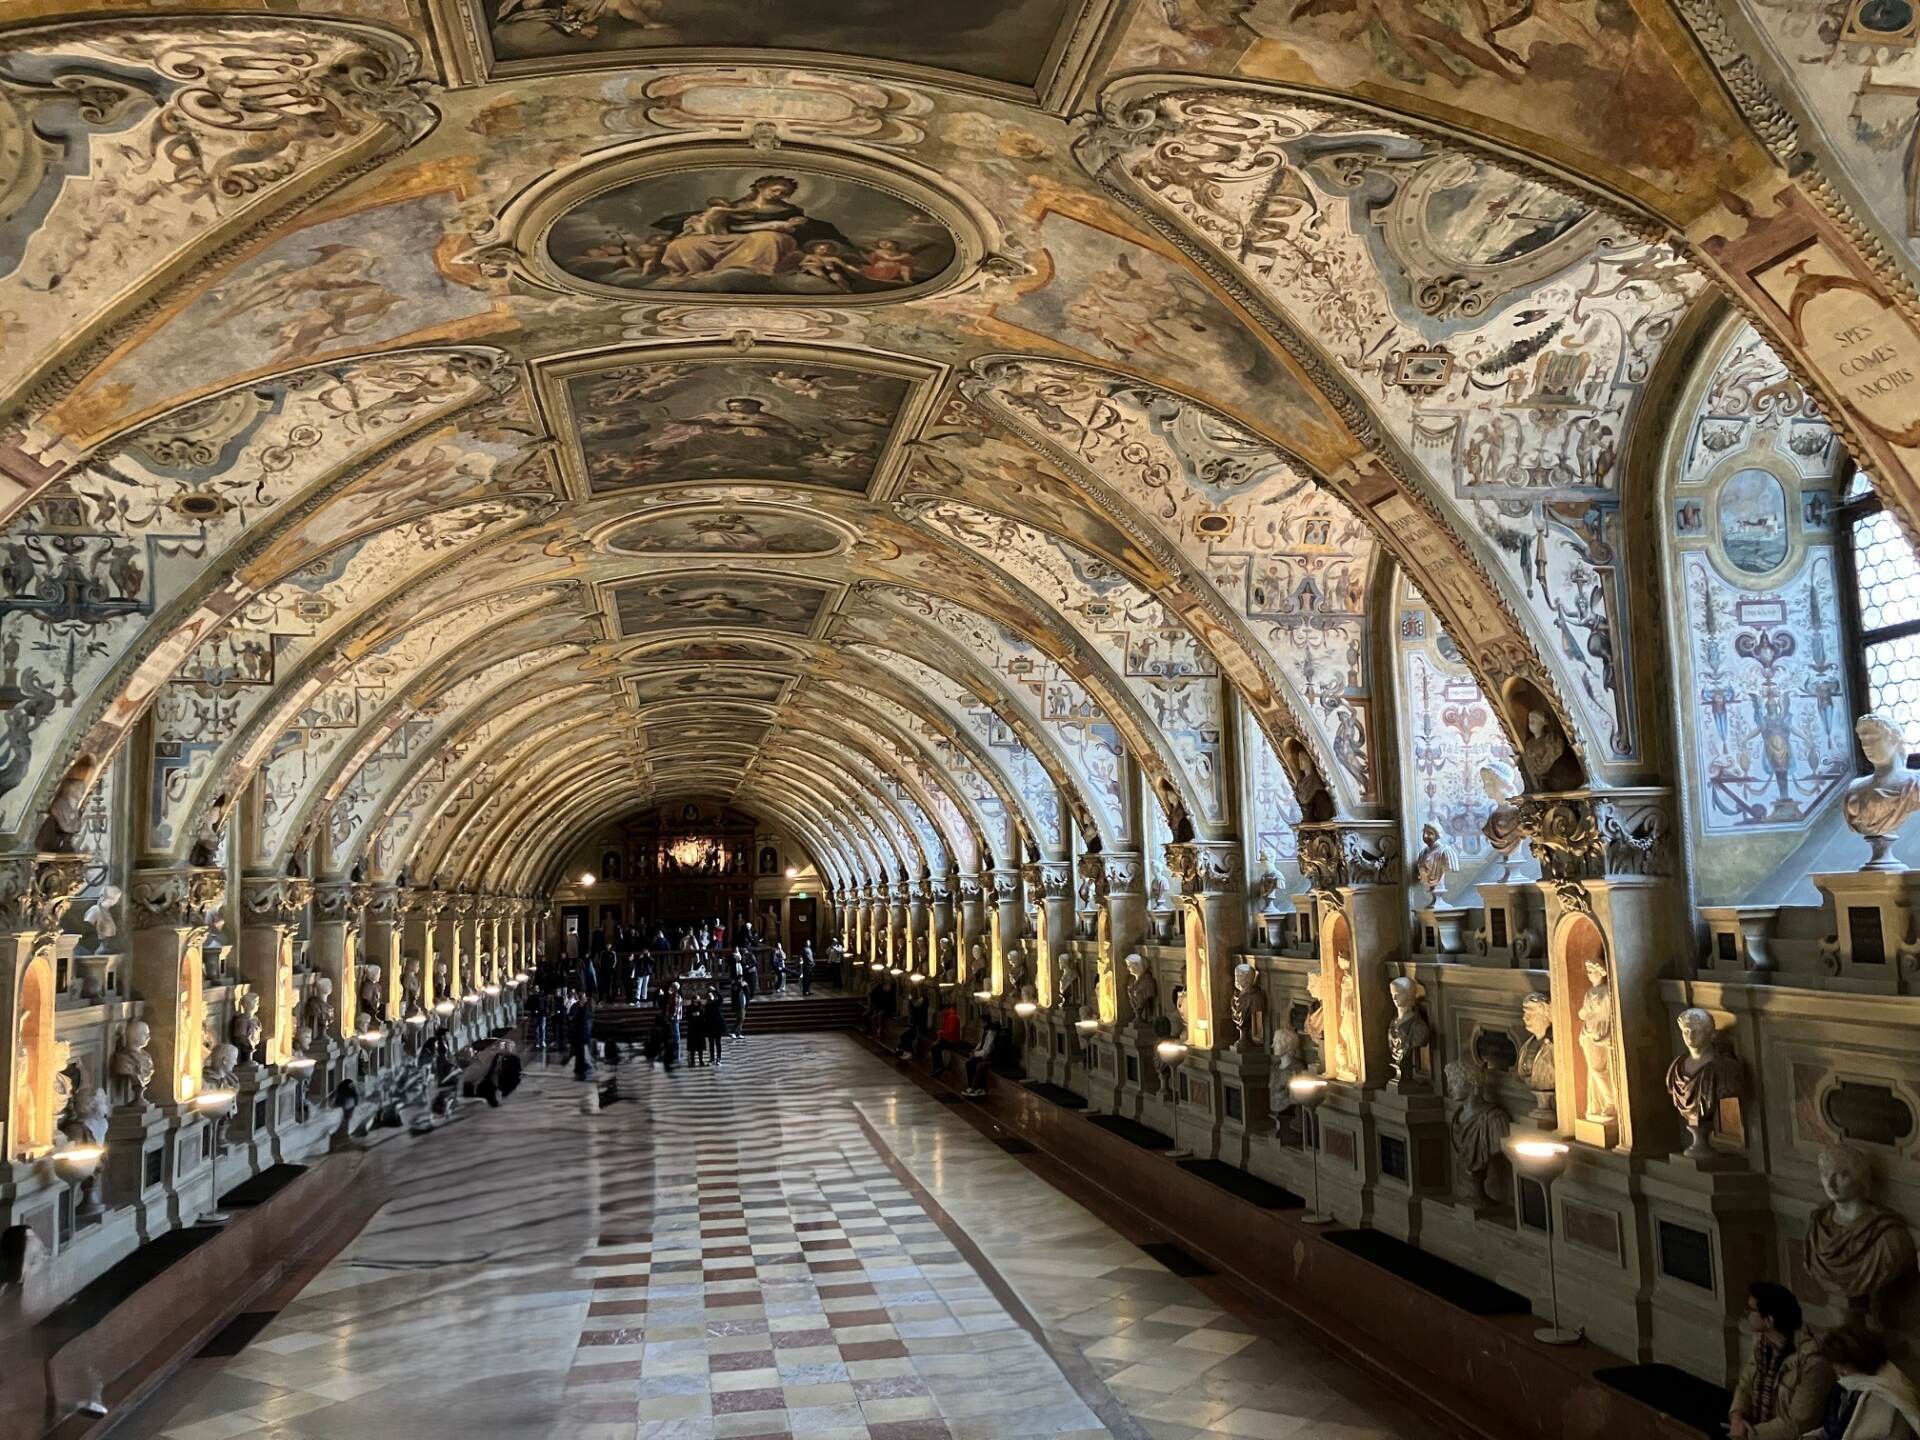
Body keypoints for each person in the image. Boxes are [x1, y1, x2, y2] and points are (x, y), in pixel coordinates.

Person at [1727, 1282, 1832, 1440]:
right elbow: (1744, 1386)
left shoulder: (1813, 1362)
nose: (1746, 1313)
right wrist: (1737, 1418)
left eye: (1751, 1309)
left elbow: (1797, 1425)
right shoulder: (1761, 1344)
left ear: (1769, 1320)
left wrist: (1748, 1435)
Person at [1810, 1325, 1920, 1439]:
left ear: (1857, 1359)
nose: (1837, 1370)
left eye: (1841, 1364)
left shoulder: (1883, 1398)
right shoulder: (1850, 1386)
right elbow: (1837, 1428)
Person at [963, 1019, 1007, 1097]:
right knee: (970, 1063)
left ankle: (976, 1087)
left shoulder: (1003, 1040)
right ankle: (972, 1086)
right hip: (992, 1058)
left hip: (998, 1061)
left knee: (981, 1065)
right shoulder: (996, 1038)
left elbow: (998, 1054)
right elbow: (985, 1047)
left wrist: (987, 1057)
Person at [929, 999, 963, 1077]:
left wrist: (940, 1032)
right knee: (935, 1048)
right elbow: (944, 1030)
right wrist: (938, 1039)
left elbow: (950, 1031)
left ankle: (939, 1067)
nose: (942, 1013)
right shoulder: (947, 1016)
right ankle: (937, 1067)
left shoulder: (952, 1017)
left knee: (936, 1049)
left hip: (952, 1041)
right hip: (947, 1039)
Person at [897, 984, 930, 1062]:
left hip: (920, 1025)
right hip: (915, 1024)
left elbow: (917, 1006)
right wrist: (910, 1000)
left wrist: (911, 1000)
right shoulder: (916, 999)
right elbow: (912, 1007)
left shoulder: (924, 999)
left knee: (909, 1037)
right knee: (903, 1036)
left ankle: (909, 1053)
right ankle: (904, 1051)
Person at [567, 991, 595, 1082]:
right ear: (581, 998)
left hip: (585, 1032)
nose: (585, 998)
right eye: (584, 997)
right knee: (579, 1051)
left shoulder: (587, 1006)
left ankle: (584, 1066)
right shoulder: (575, 1006)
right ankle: (579, 1067)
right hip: (578, 1032)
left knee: (584, 1051)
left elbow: (590, 1017)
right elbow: (571, 1017)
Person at [703, 987, 727, 1069]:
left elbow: (721, 998)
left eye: (711, 996)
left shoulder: (717, 1003)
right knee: (711, 1044)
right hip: (710, 1027)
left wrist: (715, 990)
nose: (709, 997)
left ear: (713, 997)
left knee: (718, 1043)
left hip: (717, 1026)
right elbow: (705, 1016)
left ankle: (718, 1058)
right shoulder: (706, 1006)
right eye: (708, 996)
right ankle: (712, 1058)